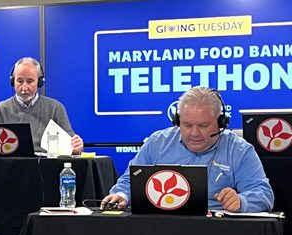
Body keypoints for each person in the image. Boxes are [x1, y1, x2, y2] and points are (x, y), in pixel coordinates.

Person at [102, 86, 274, 212]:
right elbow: (128, 182)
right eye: (187, 125)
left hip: (215, 230)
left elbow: (264, 194)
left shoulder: (239, 150)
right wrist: (122, 195)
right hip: (159, 227)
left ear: (221, 123)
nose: (194, 133)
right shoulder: (157, 142)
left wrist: (241, 201)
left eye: (203, 125)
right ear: (177, 121)